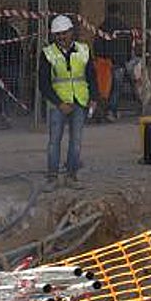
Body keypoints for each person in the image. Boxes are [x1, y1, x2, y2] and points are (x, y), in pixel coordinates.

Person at [38, 15, 98, 189]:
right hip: (59, 104)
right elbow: (44, 84)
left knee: (76, 141)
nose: (61, 37)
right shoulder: (48, 53)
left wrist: (94, 98)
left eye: (64, 33)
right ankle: (52, 177)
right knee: (54, 141)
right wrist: (59, 103)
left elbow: (91, 76)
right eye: (57, 34)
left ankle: (71, 176)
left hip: (80, 101)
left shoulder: (83, 50)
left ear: (71, 32)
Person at [95, 3, 133, 122]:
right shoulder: (124, 27)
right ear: (118, 12)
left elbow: (97, 44)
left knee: (103, 88)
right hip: (119, 62)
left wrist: (99, 57)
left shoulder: (102, 27)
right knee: (116, 88)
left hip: (104, 62)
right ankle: (111, 111)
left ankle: (101, 111)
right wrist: (127, 58)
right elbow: (129, 44)